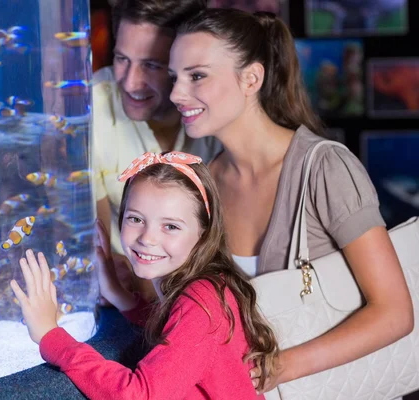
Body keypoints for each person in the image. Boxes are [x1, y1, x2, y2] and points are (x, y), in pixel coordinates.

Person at [167, 8, 414, 393]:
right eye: (175, 78)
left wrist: (280, 367)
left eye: (196, 75)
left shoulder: (325, 167)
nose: (176, 94)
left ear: (251, 78)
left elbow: (395, 313)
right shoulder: (205, 181)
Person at [11, 151, 278, 399]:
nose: (147, 238)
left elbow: (140, 395)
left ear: (204, 234)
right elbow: (177, 333)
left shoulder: (203, 303)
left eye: (171, 226)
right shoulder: (205, 286)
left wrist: (51, 335)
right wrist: (120, 295)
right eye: (136, 219)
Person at [93, 0, 222, 299]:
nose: (130, 82)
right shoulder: (91, 107)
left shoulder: (219, 113)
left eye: (152, 65)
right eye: (121, 59)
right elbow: (98, 252)